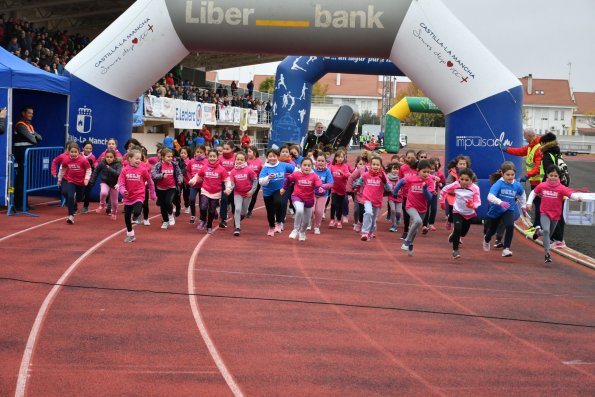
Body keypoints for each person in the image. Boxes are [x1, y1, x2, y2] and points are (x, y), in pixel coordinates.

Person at [527, 165, 583, 263]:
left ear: (559, 177)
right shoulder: (543, 185)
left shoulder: (561, 188)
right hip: (544, 213)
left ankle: (538, 232)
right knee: (547, 231)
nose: (553, 177)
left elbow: (570, 193)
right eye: (551, 175)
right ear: (547, 175)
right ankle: (547, 254)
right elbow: (533, 192)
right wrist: (529, 203)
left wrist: (577, 198)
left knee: (547, 233)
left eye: (555, 176)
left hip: (556, 215)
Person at [499, 128, 543, 234]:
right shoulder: (531, 146)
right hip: (534, 181)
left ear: (530, 136)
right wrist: (506, 149)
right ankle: (537, 226)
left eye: (525, 136)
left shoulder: (538, 148)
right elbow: (519, 151)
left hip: (538, 182)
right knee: (537, 204)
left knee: (539, 205)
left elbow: (538, 167)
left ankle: (538, 227)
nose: (524, 137)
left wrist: (527, 176)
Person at [483, 161, 527, 257]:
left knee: (510, 226)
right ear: (502, 174)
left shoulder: (516, 184)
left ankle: (506, 248)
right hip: (496, 210)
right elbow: (490, 196)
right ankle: (486, 239)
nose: (510, 177)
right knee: (492, 230)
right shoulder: (499, 184)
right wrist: (500, 202)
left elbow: (522, 194)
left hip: (508, 209)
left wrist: (523, 206)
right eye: (508, 175)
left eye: (512, 174)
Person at [393, 159, 435, 256]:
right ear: (418, 170)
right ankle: (407, 240)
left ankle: (410, 243)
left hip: (422, 208)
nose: (426, 174)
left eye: (428, 172)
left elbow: (429, 198)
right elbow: (400, 182)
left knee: (415, 228)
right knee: (418, 221)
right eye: (424, 172)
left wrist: (424, 189)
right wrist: (395, 192)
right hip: (410, 205)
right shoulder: (412, 179)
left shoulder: (430, 181)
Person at [439, 168, 481, 259]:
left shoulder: (475, 188)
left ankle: (454, 235)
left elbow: (478, 202)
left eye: (467, 180)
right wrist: (442, 201)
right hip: (457, 211)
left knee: (463, 233)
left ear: (471, 180)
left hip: (469, 214)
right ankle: (455, 250)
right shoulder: (455, 185)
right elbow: (444, 190)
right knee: (457, 228)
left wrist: (473, 205)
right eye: (461, 179)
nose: (464, 182)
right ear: (458, 178)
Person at [118, 149, 157, 243]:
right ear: (130, 159)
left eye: (140, 159)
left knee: (137, 212)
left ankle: (136, 216)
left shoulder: (143, 170)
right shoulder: (124, 170)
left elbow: (150, 182)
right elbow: (121, 184)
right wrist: (123, 191)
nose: (138, 160)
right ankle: (130, 234)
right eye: (136, 158)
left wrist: (152, 194)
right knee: (127, 217)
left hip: (139, 195)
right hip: (128, 197)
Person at [537, 132, 568, 248]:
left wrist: (543, 189)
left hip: (552, 188)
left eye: (541, 143)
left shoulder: (547, 156)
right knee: (558, 212)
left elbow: (549, 173)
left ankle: (557, 239)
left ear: (545, 143)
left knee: (552, 213)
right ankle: (557, 238)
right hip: (562, 186)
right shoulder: (557, 153)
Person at [190, 149, 231, 234]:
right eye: (210, 156)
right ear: (208, 157)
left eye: (214, 156)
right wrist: (193, 181)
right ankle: (203, 220)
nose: (212, 158)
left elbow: (227, 180)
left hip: (216, 192)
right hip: (205, 190)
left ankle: (209, 226)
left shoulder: (221, 169)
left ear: (217, 157)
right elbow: (198, 176)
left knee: (212, 211)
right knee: (203, 207)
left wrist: (228, 188)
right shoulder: (204, 167)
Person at [282, 157, 323, 241]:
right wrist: (284, 188)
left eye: (309, 165)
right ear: (301, 166)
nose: (306, 167)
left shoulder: (314, 176)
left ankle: (302, 232)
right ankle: (295, 229)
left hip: (309, 199)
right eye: (304, 165)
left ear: (312, 166)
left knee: (307, 220)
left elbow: (319, 184)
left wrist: (320, 188)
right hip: (297, 196)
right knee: (300, 210)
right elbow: (288, 179)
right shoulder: (296, 174)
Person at [259, 148, 296, 236]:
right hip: (267, 192)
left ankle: (279, 223)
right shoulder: (265, 168)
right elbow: (261, 182)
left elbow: (296, 170)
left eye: (274, 156)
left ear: (278, 156)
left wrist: (308, 173)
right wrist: (268, 178)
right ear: (267, 158)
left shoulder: (283, 165)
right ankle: (271, 227)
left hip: (278, 190)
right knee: (270, 211)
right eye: (270, 156)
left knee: (279, 202)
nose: (272, 158)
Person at [13, 106, 42, 210]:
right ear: (23, 113)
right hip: (22, 155)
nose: (31, 115)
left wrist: (33, 136)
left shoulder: (29, 125)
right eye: (29, 113)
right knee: (21, 180)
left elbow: (40, 138)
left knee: (26, 180)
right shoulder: (20, 125)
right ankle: (19, 204)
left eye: (32, 113)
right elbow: (34, 140)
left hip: (28, 155)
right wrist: (33, 136)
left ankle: (24, 203)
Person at [355, 156, 387, 242]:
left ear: (380, 166)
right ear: (370, 165)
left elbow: (388, 188)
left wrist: (384, 181)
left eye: (377, 165)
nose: (375, 166)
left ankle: (371, 231)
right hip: (367, 198)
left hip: (377, 200)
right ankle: (365, 232)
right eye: (374, 164)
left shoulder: (383, 175)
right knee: (368, 212)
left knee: (373, 218)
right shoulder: (366, 175)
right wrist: (356, 187)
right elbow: (359, 181)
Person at [57, 143, 91, 224]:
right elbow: (62, 170)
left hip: (81, 182)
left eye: (75, 152)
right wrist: (59, 179)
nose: (73, 153)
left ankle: (76, 200)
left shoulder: (83, 160)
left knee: (79, 198)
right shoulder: (66, 160)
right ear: (69, 152)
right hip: (71, 180)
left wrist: (86, 179)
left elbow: (89, 170)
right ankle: (71, 216)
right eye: (71, 152)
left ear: (78, 152)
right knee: (70, 196)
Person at [151, 148, 184, 230]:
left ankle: (170, 215)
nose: (170, 158)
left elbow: (179, 173)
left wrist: (180, 179)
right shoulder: (158, 165)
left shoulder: (174, 165)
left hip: (171, 187)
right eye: (168, 156)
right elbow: (153, 175)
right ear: (162, 157)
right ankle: (165, 221)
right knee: (162, 206)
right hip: (160, 188)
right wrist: (161, 175)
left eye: (171, 156)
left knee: (168, 202)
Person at [229, 151, 257, 236]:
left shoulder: (248, 170)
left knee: (244, 212)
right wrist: (229, 190)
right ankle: (237, 228)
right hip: (238, 193)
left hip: (248, 193)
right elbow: (232, 184)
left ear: (245, 160)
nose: (239, 161)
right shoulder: (233, 171)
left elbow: (255, 180)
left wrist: (252, 191)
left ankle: (240, 217)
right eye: (238, 159)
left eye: (241, 159)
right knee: (237, 209)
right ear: (235, 160)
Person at [89, 148, 122, 220]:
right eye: (107, 157)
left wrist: (110, 169)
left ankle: (113, 213)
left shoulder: (118, 164)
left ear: (114, 157)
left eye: (111, 157)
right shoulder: (102, 163)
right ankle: (102, 205)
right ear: (105, 157)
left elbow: (118, 173)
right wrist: (92, 181)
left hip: (114, 184)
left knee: (114, 202)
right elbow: (96, 171)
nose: (109, 159)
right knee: (103, 192)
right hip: (105, 181)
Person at [312, 152, 334, 234]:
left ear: (325, 162)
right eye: (319, 160)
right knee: (311, 210)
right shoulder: (312, 169)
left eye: (322, 161)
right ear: (316, 161)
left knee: (319, 211)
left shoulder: (327, 171)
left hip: (323, 194)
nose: (320, 162)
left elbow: (331, 183)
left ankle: (317, 226)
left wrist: (322, 186)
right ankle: (308, 223)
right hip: (312, 193)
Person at [328, 150, 351, 229]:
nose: (340, 158)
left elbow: (348, 175)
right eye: (338, 157)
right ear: (335, 158)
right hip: (334, 189)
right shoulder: (332, 166)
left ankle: (338, 220)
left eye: (342, 157)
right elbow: (328, 174)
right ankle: (332, 219)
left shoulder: (345, 166)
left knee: (339, 206)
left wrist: (343, 174)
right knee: (333, 204)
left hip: (342, 189)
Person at [218, 141, 237, 228]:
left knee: (234, 202)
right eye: (224, 149)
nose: (225, 151)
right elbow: (218, 168)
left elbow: (239, 168)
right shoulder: (220, 158)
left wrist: (231, 173)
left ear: (232, 149)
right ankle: (223, 220)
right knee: (224, 199)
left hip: (234, 182)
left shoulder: (236, 157)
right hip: (224, 182)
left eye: (227, 149)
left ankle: (236, 220)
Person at [186, 145, 207, 224]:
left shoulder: (206, 162)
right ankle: (193, 215)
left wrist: (204, 178)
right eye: (197, 152)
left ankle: (202, 217)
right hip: (194, 185)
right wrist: (190, 178)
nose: (199, 154)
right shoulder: (191, 161)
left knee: (202, 203)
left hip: (203, 185)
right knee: (191, 199)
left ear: (204, 153)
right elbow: (187, 171)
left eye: (201, 152)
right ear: (194, 152)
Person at [246, 145, 264, 218]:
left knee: (253, 197)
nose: (248, 153)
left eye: (250, 151)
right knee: (245, 196)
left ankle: (249, 211)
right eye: (247, 151)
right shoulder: (246, 160)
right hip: (246, 181)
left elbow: (262, 172)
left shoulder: (260, 162)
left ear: (254, 152)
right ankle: (244, 208)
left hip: (255, 182)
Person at [385, 162, 402, 232]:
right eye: (394, 169)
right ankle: (393, 225)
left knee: (398, 212)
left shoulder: (401, 178)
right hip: (391, 196)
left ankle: (398, 218)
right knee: (393, 210)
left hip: (399, 197)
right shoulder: (387, 177)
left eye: (397, 169)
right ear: (391, 169)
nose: (395, 170)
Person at [80, 141, 96, 214]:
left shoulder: (92, 157)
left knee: (87, 192)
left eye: (90, 148)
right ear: (83, 148)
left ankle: (85, 207)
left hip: (89, 177)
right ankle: (74, 205)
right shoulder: (79, 155)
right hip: (79, 177)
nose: (88, 150)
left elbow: (93, 168)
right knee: (79, 194)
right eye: (86, 148)